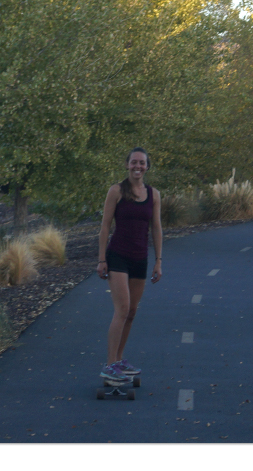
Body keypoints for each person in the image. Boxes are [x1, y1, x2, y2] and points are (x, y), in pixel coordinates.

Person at [97, 147, 163, 383]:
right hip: (118, 256)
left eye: (142, 163)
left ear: (147, 167)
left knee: (132, 312)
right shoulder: (116, 191)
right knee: (122, 309)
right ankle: (109, 365)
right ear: (127, 165)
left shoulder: (153, 194)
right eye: (134, 162)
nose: (138, 166)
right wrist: (102, 259)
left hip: (140, 258)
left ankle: (119, 359)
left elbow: (156, 227)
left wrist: (158, 261)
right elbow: (105, 226)